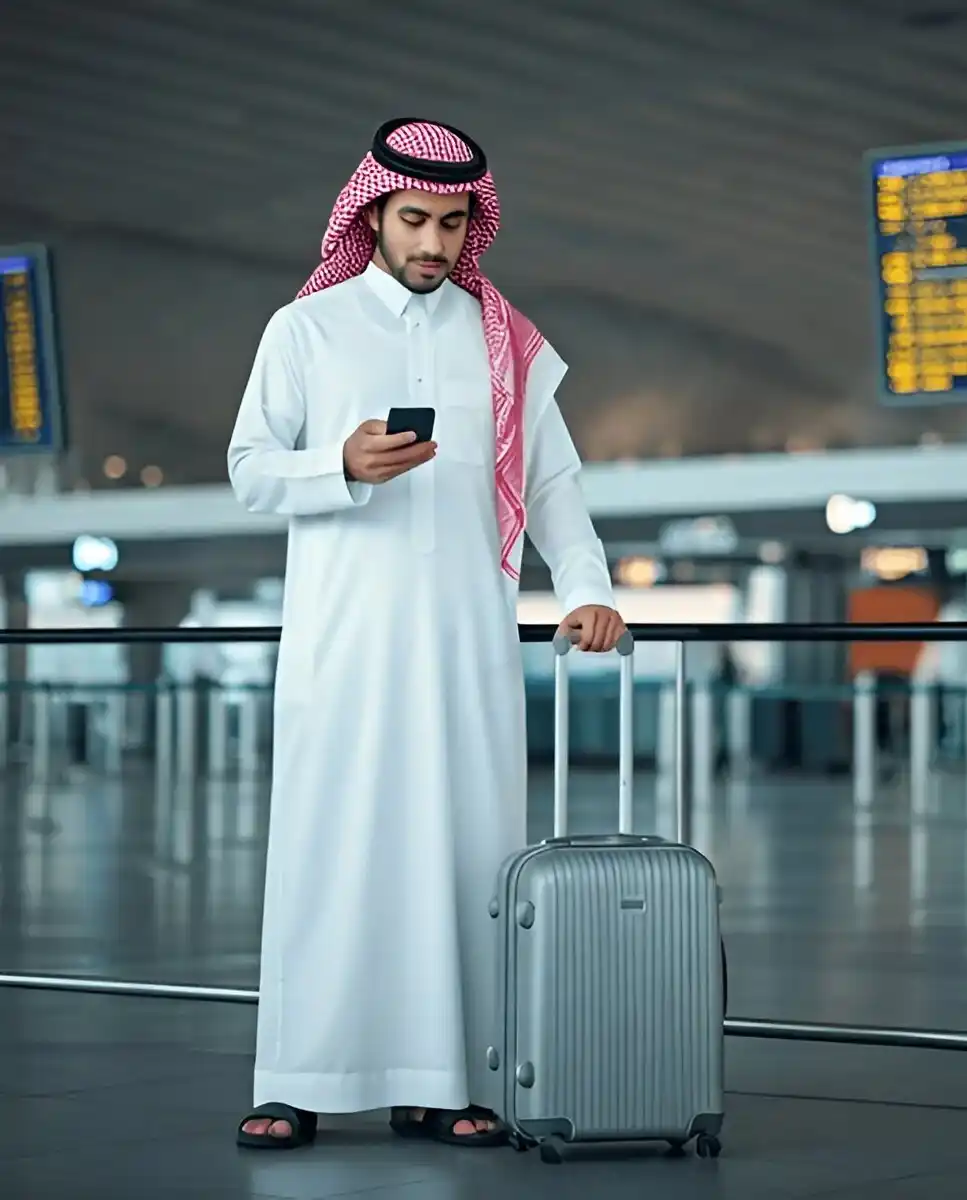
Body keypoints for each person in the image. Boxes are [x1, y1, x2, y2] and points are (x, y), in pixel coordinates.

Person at [228, 118, 626, 1150]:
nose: (434, 244)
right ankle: (297, 1080)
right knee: (330, 854)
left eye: (453, 224)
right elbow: (248, 470)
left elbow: (552, 486)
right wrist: (339, 467)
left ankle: (449, 1081)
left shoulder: (506, 342)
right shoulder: (303, 332)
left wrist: (588, 586)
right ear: (370, 213)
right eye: (414, 220)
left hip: (467, 648)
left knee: (464, 859)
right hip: (342, 647)